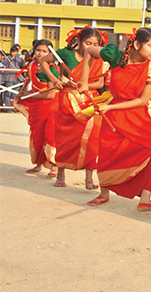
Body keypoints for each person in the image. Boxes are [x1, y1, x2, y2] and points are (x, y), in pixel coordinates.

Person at [78, 28, 151, 211]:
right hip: (114, 113)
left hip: (137, 114)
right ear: (136, 44)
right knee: (108, 152)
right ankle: (103, 194)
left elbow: (142, 100)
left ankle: (146, 198)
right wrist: (84, 81)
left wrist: (110, 107)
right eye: (150, 45)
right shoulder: (114, 55)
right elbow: (88, 51)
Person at [39, 26, 106, 189]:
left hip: (89, 101)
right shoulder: (66, 54)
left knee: (92, 138)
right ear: (80, 41)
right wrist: (55, 81)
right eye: (88, 42)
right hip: (67, 101)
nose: (90, 46)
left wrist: (83, 84)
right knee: (64, 139)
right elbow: (43, 62)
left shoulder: (98, 59)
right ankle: (60, 175)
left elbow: (100, 83)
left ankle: (89, 179)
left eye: (95, 43)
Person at [13, 40, 58, 177]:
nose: (40, 53)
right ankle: (38, 164)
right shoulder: (31, 65)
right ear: (34, 50)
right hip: (36, 107)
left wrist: (29, 95)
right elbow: (28, 80)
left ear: (49, 53)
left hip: (50, 106)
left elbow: (50, 94)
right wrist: (22, 92)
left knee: (50, 135)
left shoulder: (51, 68)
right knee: (36, 135)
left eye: (44, 51)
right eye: (38, 50)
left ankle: (54, 166)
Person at [1, 45, 25, 111]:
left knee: (15, 93)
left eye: (16, 52)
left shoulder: (18, 59)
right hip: (8, 78)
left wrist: (23, 60)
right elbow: (3, 64)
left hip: (17, 78)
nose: (15, 53)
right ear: (11, 52)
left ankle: (14, 107)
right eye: (13, 52)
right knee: (7, 93)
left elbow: (23, 65)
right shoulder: (7, 58)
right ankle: (8, 108)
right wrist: (10, 59)